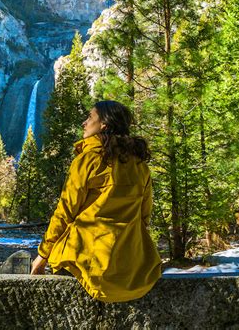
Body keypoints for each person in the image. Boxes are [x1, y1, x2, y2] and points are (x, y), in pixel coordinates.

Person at [30, 100, 162, 302]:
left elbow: (65, 212)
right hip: (133, 274)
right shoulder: (140, 165)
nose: (84, 122)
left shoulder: (87, 160)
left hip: (87, 265)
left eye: (90, 117)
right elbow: (144, 217)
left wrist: (42, 255)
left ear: (104, 125)